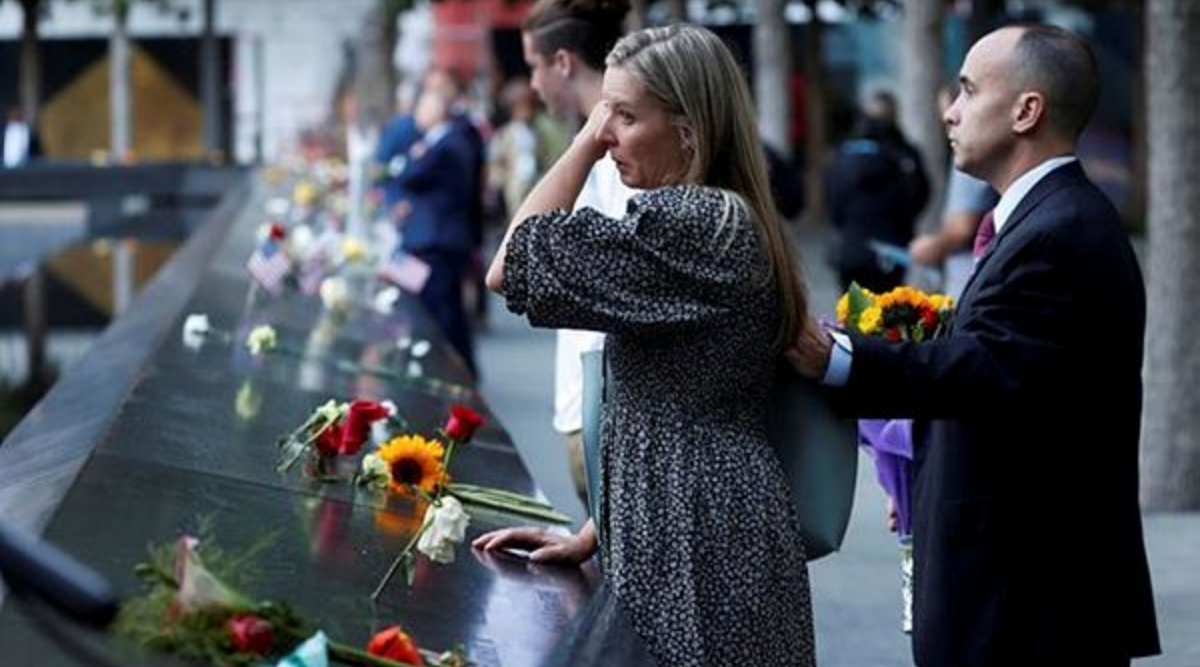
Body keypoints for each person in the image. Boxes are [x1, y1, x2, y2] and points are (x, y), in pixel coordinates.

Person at [788, 25, 1159, 667]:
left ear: (1026, 110)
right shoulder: (1046, 220)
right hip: (1016, 591)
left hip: (1032, 604)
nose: (950, 112)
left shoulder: (1062, 230)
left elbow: (985, 366)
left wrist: (839, 358)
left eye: (966, 90)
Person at [475, 24, 816, 667]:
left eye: (623, 116)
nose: (605, 133)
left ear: (688, 130)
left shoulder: (694, 223)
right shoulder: (725, 216)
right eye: (603, 113)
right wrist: (601, 524)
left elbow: (510, 265)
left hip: (695, 540)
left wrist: (580, 140)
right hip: (691, 525)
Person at [516, 0, 637, 505]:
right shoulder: (601, 153)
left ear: (563, 62)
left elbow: (516, 261)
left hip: (607, 406)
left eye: (534, 67)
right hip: (594, 402)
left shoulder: (620, 160)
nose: (533, 84)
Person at [385, 87, 480, 375]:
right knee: (447, 311)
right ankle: (459, 369)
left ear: (436, 109)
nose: (416, 115)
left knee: (440, 314)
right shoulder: (444, 142)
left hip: (437, 242)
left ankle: (450, 371)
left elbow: (408, 174)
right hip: (438, 239)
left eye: (422, 108)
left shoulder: (446, 143)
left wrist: (414, 156)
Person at [825, 90, 930, 292]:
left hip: (851, 250)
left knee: (852, 314)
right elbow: (919, 195)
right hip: (891, 252)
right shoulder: (904, 155)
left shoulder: (843, 154)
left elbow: (833, 202)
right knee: (888, 315)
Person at [909, 87, 999, 298]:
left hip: (969, 281)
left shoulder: (971, 158)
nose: (947, 117)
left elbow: (963, 228)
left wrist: (932, 247)